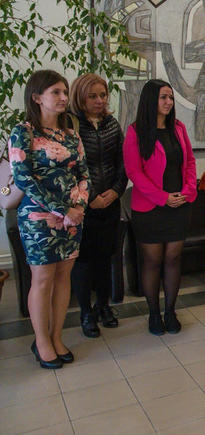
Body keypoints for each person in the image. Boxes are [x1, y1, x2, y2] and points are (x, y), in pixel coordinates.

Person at [10, 70, 90, 369]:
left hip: (72, 218)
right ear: (36, 97)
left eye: (64, 92)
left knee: (62, 278)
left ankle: (56, 337)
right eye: (55, 92)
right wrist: (62, 210)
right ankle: (41, 341)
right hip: (39, 218)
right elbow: (23, 179)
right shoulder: (23, 131)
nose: (63, 97)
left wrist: (78, 206)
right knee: (42, 280)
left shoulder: (70, 133)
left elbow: (84, 173)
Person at [123, 79, 197, 336]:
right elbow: (134, 172)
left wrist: (188, 190)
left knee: (173, 259)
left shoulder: (178, 128)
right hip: (150, 207)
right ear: (150, 100)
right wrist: (162, 197)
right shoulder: (136, 132)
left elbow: (189, 163)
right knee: (152, 261)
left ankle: (170, 312)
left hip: (179, 204)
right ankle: (154, 314)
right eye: (163, 97)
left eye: (171, 98)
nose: (169, 102)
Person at [68, 73, 127, 339]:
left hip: (110, 202)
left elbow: (122, 161)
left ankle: (103, 306)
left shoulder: (111, 124)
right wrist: (90, 196)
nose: (99, 101)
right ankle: (86, 313)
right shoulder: (70, 125)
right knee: (83, 261)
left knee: (105, 257)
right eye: (92, 96)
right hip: (83, 205)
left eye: (102, 95)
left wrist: (116, 191)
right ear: (80, 97)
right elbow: (71, 166)